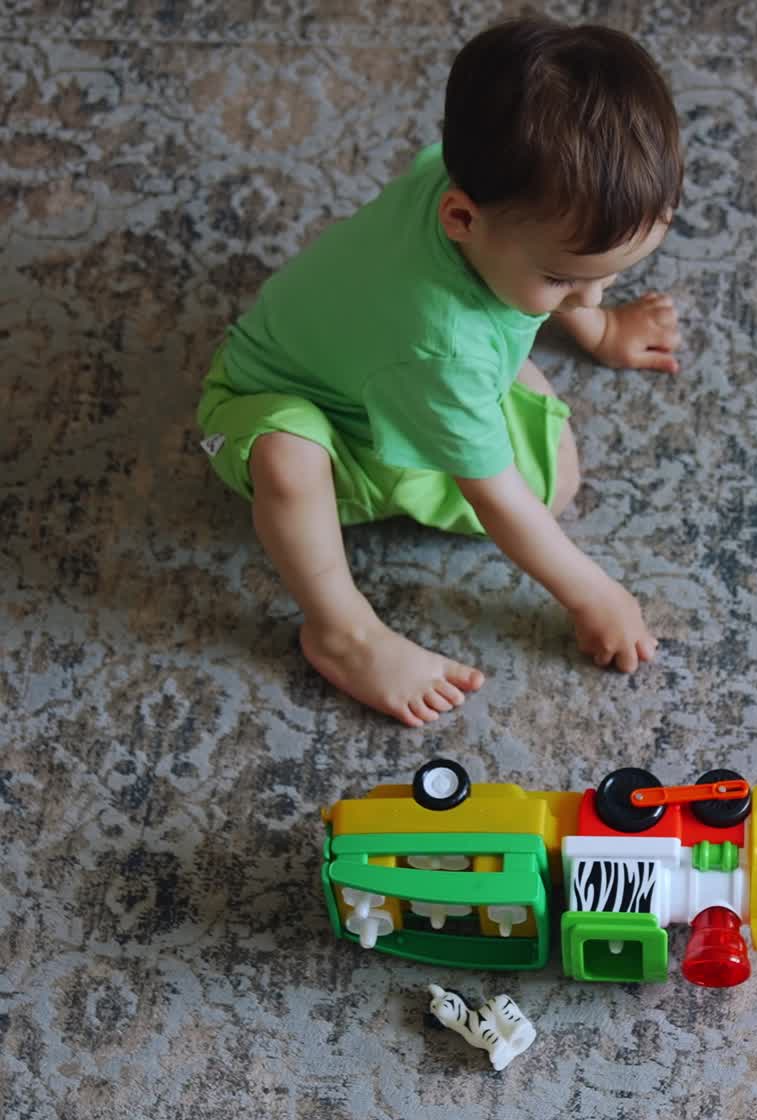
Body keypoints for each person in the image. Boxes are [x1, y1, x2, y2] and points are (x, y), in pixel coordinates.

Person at [197, 16, 683, 727]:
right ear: (460, 216)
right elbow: (496, 500)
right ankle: (342, 631)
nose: (587, 296)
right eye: (562, 282)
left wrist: (600, 326)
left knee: (554, 475)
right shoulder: (442, 350)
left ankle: (444, 400)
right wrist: (595, 595)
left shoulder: (467, 176)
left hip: (385, 367)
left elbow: (568, 265)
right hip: (275, 402)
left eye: (606, 279)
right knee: (289, 457)